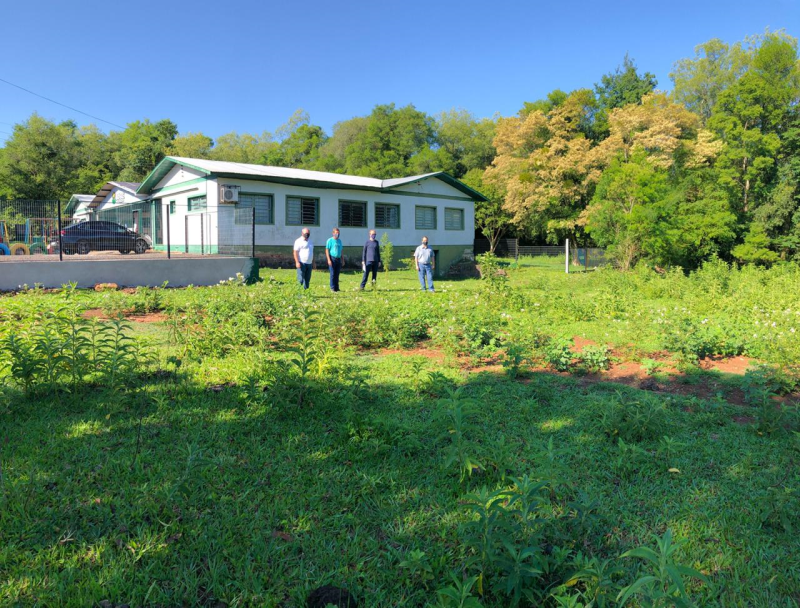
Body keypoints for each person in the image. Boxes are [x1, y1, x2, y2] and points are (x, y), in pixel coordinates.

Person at [326, 227, 343, 292]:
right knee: (332, 274)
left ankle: (336, 287)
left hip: (338, 259)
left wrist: (342, 259)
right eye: (336, 233)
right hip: (332, 258)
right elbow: (327, 250)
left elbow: (341, 250)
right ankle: (332, 287)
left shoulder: (339, 241)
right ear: (333, 233)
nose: (337, 234)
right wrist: (328, 260)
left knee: (337, 273)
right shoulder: (329, 240)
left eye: (338, 233)